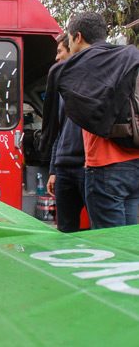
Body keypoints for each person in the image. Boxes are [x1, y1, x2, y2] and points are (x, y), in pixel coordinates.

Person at [41, 12, 139, 229]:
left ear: (77, 37)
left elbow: (55, 123)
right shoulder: (129, 57)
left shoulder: (80, 68)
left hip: (104, 165)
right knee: (130, 241)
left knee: (109, 244)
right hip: (134, 162)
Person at [46, 34, 86, 232]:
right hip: (63, 169)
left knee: (100, 228)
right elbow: (58, 131)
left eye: (60, 51)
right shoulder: (62, 88)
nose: (57, 57)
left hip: (88, 167)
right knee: (64, 228)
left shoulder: (93, 82)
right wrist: (53, 170)